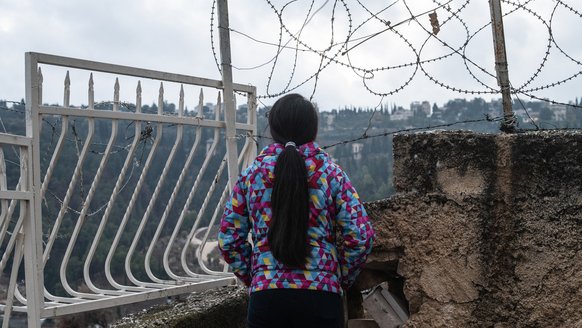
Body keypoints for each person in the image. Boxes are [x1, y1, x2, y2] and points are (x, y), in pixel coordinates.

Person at [218, 93, 374, 328]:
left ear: (273, 129)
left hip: (267, 299)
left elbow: (229, 239)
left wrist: (257, 277)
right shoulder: (331, 173)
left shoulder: (251, 176)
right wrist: (339, 277)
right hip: (321, 298)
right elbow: (360, 236)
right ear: (312, 128)